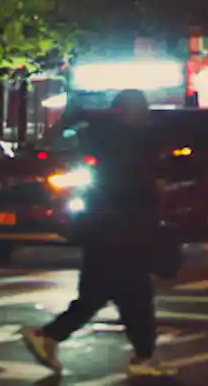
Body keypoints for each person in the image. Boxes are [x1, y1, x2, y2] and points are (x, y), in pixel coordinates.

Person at [22, 89, 169, 378]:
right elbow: (139, 187)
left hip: (103, 230)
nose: (145, 115)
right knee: (134, 295)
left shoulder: (104, 140)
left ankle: (50, 336)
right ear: (130, 112)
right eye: (140, 110)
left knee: (98, 295)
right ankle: (143, 356)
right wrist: (155, 191)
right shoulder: (131, 145)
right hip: (124, 231)